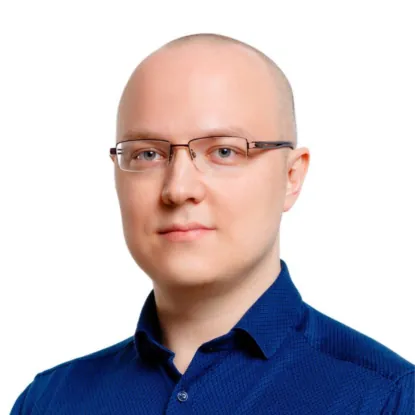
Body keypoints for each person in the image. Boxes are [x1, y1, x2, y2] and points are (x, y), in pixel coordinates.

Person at [11, 33, 414, 414]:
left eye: (224, 151)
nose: (178, 189)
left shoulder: (386, 398)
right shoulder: (48, 402)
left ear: (291, 177)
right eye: (148, 154)